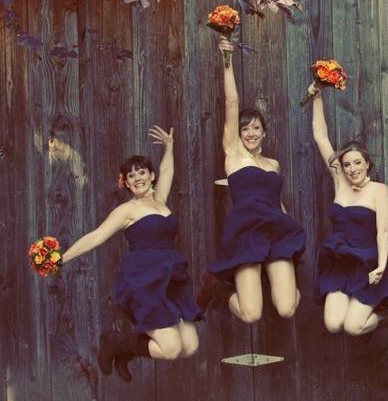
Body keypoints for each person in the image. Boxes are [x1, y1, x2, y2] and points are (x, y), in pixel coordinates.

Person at [59, 126, 202, 381]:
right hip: (144, 281)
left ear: (151, 175)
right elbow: (97, 236)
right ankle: (117, 344)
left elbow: (168, 170)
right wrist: (62, 258)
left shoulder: (160, 200)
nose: (137, 178)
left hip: (170, 278)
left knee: (190, 346)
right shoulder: (127, 211)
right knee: (170, 349)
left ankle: (125, 350)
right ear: (125, 182)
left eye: (142, 172)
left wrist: (169, 147)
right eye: (131, 175)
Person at [200, 37, 306, 323]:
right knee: (251, 314)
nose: (250, 133)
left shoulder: (273, 164)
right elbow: (232, 103)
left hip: (276, 228)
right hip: (247, 230)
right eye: (245, 129)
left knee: (287, 308)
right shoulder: (234, 154)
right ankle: (216, 287)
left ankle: (278, 275)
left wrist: (290, 230)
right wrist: (227, 61)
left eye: (256, 128)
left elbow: (277, 201)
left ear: (264, 133)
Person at [308, 83, 388, 345]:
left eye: (357, 163)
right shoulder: (340, 182)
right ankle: (366, 311)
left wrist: (382, 266)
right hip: (340, 261)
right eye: (347, 164)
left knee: (353, 327)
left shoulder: (378, 190)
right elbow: (321, 138)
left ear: (367, 163)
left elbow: (383, 231)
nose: (352, 169)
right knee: (332, 324)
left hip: (367, 263)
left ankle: (387, 317)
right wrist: (317, 97)